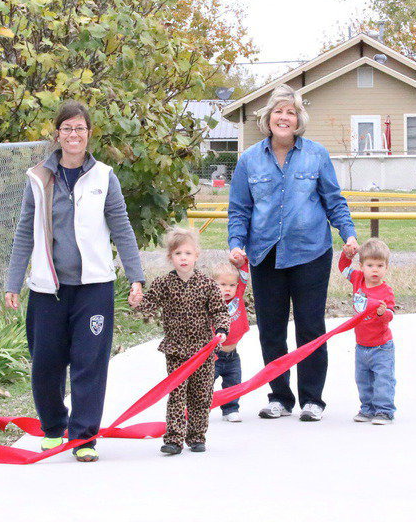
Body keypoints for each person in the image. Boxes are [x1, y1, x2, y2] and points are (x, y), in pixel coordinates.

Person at [4, 101, 145, 462]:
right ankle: (53, 428)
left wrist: (135, 276)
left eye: (80, 128)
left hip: (93, 288)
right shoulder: (39, 178)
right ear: (57, 134)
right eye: (67, 128)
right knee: (46, 362)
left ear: (89, 134)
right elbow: (24, 232)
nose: (73, 135)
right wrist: (12, 281)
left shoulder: (104, 176)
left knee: (89, 361)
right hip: (47, 289)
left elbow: (122, 228)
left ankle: (83, 437)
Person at [228, 83, 358, 422]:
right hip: (264, 254)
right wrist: (236, 244)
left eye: (290, 112)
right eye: (278, 111)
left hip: (311, 252)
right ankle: (280, 398)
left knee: (310, 326)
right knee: (271, 329)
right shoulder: (249, 160)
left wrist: (349, 234)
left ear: (299, 119)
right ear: (268, 118)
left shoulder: (316, 154)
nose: (283, 117)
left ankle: (312, 399)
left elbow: (334, 201)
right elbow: (239, 209)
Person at [132, 227, 230, 455]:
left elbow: (219, 311)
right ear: (171, 257)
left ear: (196, 255)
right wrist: (137, 301)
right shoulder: (164, 283)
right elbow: (148, 305)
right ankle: (174, 440)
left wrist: (222, 329)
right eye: (178, 254)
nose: (183, 258)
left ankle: (196, 436)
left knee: (201, 394)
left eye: (187, 253)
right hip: (176, 350)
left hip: (202, 351)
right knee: (176, 394)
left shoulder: (207, 285)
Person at [338, 238, 397, 425]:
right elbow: (343, 267)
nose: (375, 270)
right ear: (362, 266)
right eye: (370, 265)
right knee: (363, 381)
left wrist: (383, 313)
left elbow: (390, 314)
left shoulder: (386, 290)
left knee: (383, 381)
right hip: (361, 346)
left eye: (380, 265)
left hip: (382, 347)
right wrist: (347, 254)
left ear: (386, 268)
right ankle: (367, 409)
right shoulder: (357, 279)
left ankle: (384, 411)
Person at [210, 260, 250, 422]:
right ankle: (197, 409)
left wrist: (242, 261)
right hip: (214, 357)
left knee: (233, 384)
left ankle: (230, 410)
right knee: (204, 386)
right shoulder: (211, 303)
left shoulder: (238, 295)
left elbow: (244, 276)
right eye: (223, 284)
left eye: (232, 285)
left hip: (233, 356)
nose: (228, 289)